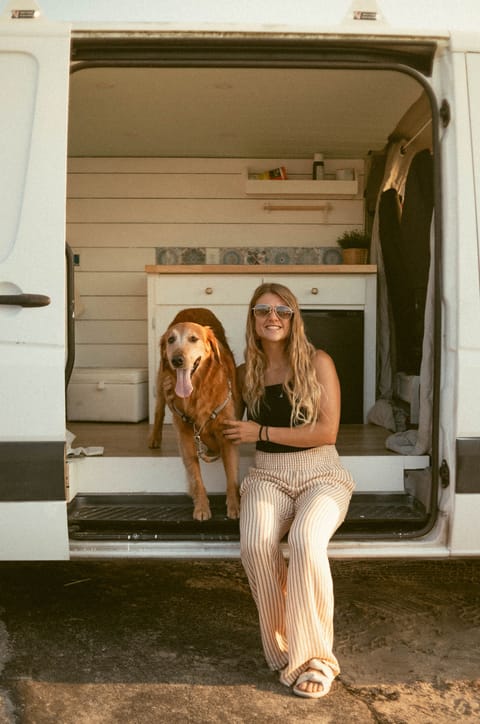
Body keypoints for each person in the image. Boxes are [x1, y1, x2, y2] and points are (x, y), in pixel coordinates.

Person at [223, 282, 355, 699]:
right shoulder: (245, 373)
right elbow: (227, 432)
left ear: (295, 318)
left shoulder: (318, 362)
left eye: (282, 310)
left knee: (304, 540)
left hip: (322, 473)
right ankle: (284, 648)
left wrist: (258, 430)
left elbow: (326, 431)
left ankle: (316, 658)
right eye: (263, 310)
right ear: (253, 320)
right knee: (256, 545)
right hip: (267, 475)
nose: (272, 317)